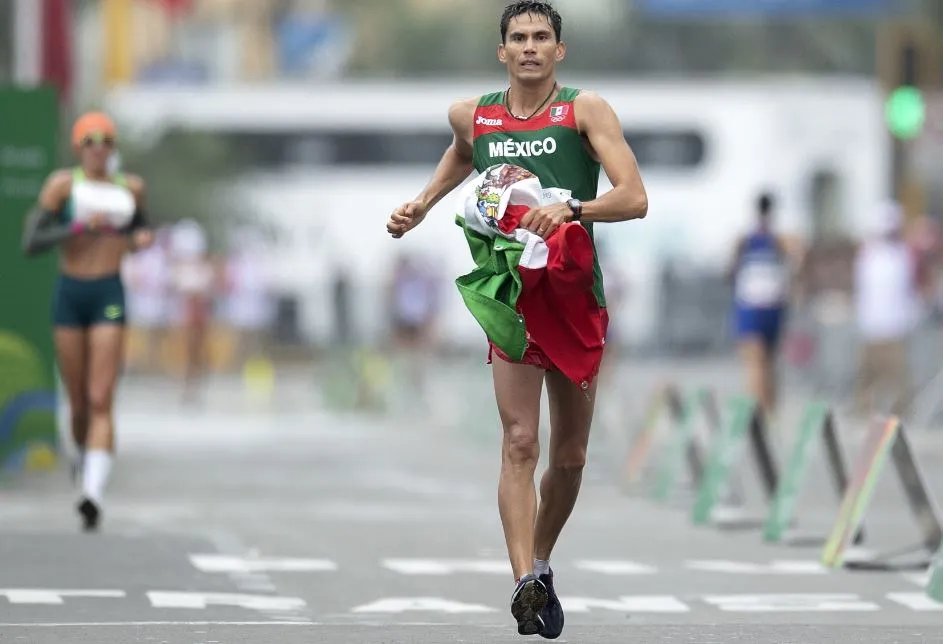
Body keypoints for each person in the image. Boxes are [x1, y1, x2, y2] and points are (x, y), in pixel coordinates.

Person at [386, 1, 648, 637]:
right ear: (500, 51)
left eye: (541, 37)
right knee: (519, 441)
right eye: (517, 38)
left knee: (571, 456)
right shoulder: (473, 115)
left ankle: (543, 559)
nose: (529, 46)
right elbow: (461, 152)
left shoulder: (586, 111)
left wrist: (573, 210)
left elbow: (634, 197)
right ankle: (524, 580)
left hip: (573, 294)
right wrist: (422, 204)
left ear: (560, 51)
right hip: (510, 296)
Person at [21, 111, 153, 531]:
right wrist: (75, 228)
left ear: (113, 149)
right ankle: (82, 455)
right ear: (79, 147)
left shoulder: (130, 189)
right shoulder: (63, 186)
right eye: (91, 140)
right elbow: (31, 242)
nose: (99, 148)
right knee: (78, 399)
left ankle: (92, 494)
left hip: (108, 295)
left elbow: (139, 235)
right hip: (71, 293)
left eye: (107, 141)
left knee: (100, 395)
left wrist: (140, 241)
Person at [728, 192, 792, 423]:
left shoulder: (746, 240)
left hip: (752, 306)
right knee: (768, 362)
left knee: (756, 362)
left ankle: (760, 413)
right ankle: (767, 411)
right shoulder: (780, 239)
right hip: (772, 304)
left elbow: (731, 271)